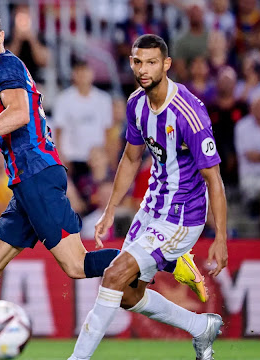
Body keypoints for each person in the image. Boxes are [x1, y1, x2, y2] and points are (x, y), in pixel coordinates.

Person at [0, 9, 205, 360]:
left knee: (77, 265)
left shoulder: (6, 67)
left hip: (36, 177)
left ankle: (170, 261)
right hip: (27, 181)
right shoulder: (1, 70)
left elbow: (18, 115)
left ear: (0, 37)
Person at [68, 34, 229, 360]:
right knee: (127, 294)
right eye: (138, 61)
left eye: (152, 62)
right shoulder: (136, 104)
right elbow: (130, 158)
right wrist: (110, 210)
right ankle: (200, 327)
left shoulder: (188, 114)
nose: (144, 69)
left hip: (183, 217)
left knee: (113, 275)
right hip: (151, 208)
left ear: (166, 64)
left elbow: (215, 178)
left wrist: (221, 236)